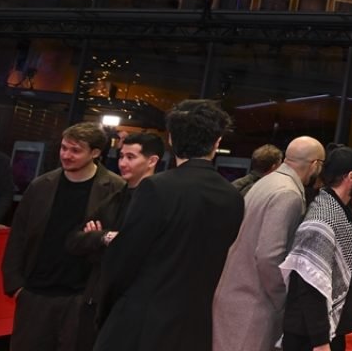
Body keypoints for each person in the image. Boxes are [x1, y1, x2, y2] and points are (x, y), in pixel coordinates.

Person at [94, 99, 245, 351]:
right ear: (217, 142)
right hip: (195, 326)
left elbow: (125, 256)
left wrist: (107, 308)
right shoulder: (233, 196)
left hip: (141, 323)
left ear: (171, 139)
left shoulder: (157, 187)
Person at [1, 122, 125, 351]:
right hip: (34, 293)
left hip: (81, 298)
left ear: (95, 153)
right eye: (64, 148)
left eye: (75, 150)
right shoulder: (41, 186)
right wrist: (16, 286)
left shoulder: (116, 189)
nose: (66, 155)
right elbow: (17, 237)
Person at [212, 136, 326, 351]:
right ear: (315, 164)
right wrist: (282, 299)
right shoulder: (288, 194)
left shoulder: (267, 181)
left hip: (233, 295)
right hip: (253, 305)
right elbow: (268, 256)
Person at [67, 132, 164, 350]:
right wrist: (103, 237)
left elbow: (138, 252)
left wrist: (101, 243)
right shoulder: (115, 196)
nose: (122, 163)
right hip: (97, 296)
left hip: (132, 303)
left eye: (131, 157)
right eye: (121, 156)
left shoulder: (159, 201)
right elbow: (74, 240)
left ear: (152, 161)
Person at [280, 146, 352, 351]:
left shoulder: (340, 209)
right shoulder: (323, 218)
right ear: (351, 176)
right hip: (310, 335)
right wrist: (320, 342)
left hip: (327, 330)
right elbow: (310, 282)